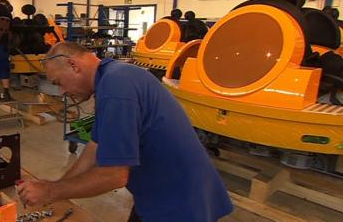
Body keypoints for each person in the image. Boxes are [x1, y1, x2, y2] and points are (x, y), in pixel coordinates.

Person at [17, 42, 233, 222]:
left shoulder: (117, 86)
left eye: (59, 83)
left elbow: (114, 175)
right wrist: (55, 187)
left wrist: (51, 192)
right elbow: (95, 146)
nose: (63, 92)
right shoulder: (111, 78)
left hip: (179, 202)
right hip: (156, 193)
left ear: (73, 65)